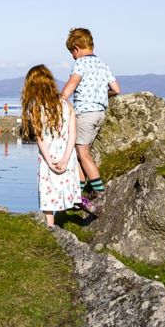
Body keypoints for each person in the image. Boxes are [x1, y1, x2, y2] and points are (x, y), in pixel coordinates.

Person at [59, 28, 121, 213]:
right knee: (79, 153)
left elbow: (72, 84)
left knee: (83, 153)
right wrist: (102, 94)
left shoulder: (80, 64)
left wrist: (61, 99)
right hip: (100, 113)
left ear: (76, 48)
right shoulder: (103, 64)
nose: (72, 56)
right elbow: (116, 89)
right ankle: (77, 195)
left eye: (72, 52)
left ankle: (100, 194)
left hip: (85, 114)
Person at [22, 65, 81, 229]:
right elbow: (72, 135)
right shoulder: (66, 105)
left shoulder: (36, 108)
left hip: (48, 156)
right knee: (65, 190)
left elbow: (40, 139)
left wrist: (49, 161)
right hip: (66, 156)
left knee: (48, 196)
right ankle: (80, 207)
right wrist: (66, 158)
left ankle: (50, 228)